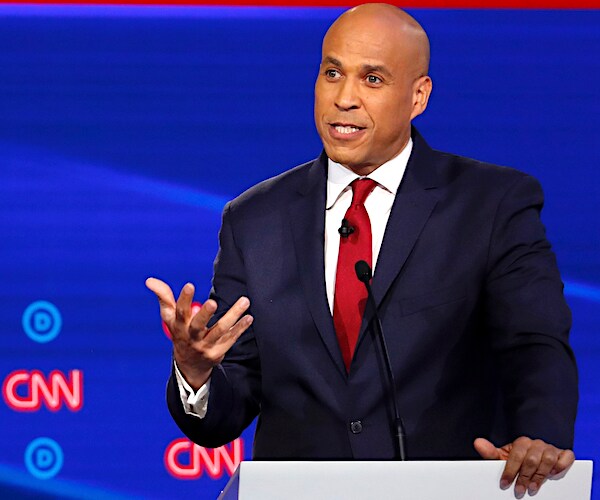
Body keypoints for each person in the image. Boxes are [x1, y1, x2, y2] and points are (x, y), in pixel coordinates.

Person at [147, 4, 578, 497]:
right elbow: (227, 406)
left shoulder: (492, 204)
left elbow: (534, 344)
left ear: (418, 96)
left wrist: (539, 436)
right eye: (332, 73)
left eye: (372, 79)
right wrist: (197, 372)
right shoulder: (253, 219)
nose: (344, 98)